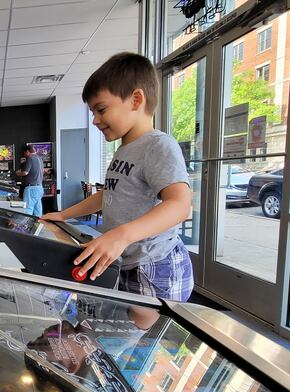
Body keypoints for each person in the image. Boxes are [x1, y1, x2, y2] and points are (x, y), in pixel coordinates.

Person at [41, 52, 193, 302]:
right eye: (93, 112)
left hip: (154, 263)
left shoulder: (158, 145)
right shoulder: (124, 149)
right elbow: (109, 195)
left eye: (101, 109)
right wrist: (64, 215)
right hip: (127, 260)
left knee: (144, 326)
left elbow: (179, 205)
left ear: (136, 100)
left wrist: (122, 235)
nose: (95, 120)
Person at [16, 145, 44, 216]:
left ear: (27, 151)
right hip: (40, 188)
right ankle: (39, 222)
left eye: (24, 153)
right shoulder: (40, 159)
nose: (24, 155)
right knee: (37, 210)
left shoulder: (30, 158)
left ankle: (26, 223)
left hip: (31, 188)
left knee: (27, 210)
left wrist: (18, 173)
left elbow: (25, 172)